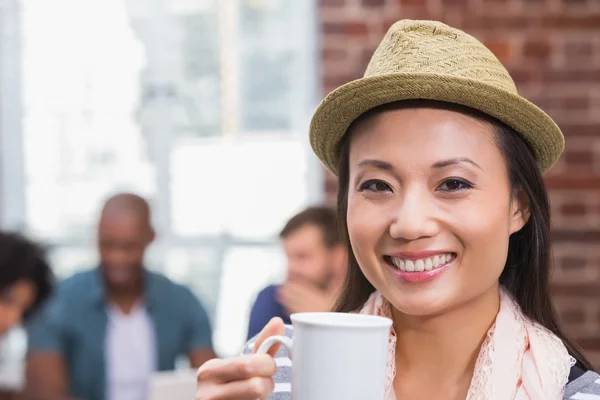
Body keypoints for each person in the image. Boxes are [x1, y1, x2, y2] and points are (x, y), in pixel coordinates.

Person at [195, 20, 600, 399]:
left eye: (453, 184)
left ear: (519, 206)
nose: (409, 224)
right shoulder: (274, 372)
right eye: (377, 185)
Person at [26, 193, 216, 400]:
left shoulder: (182, 302)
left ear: (150, 237)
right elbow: (44, 394)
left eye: (129, 247)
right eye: (107, 245)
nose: (116, 257)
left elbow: (212, 382)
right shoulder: (59, 301)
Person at [246, 206, 347, 339]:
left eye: (302, 256)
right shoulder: (272, 300)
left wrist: (328, 319)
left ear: (339, 257)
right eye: (288, 257)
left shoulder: (372, 305)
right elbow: (255, 356)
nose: (290, 268)